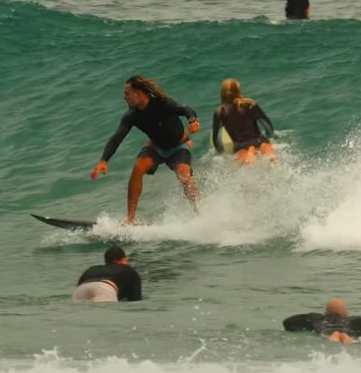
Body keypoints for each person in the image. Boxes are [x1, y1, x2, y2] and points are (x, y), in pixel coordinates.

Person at [90, 75, 201, 223]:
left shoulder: (162, 104)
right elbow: (116, 138)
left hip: (179, 146)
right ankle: (130, 218)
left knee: (184, 176)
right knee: (138, 167)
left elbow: (185, 109)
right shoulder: (132, 115)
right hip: (156, 148)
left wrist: (192, 119)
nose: (125, 97)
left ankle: (200, 214)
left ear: (138, 93)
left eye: (127, 93)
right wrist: (104, 160)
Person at [212, 78, 276, 164]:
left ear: (223, 92)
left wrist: (221, 153)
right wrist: (271, 138)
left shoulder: (220, 111)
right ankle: (256, 149)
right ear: (238, 90)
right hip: (259, 140)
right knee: (272, 158)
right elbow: (266, 124)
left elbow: (216, 138)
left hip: (240, 146)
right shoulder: (249, 104)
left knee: (246, 164)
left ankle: (250, 152)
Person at [282, 297, 361, 344]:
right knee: (347, 336)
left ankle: (335, 336)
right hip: (347, 331)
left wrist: (299, 330)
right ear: (345, 312)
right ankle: (344, 337)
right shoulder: (352, 319)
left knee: (332, 337)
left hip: (326, 331)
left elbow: (288, 322)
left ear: (326, 312)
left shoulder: (316, 317)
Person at [72, 246, 142, 303]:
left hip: (81, 290)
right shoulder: (128, 269)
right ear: (123, 260)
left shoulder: (92, 269)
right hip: (104, 288)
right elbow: (135, 299)